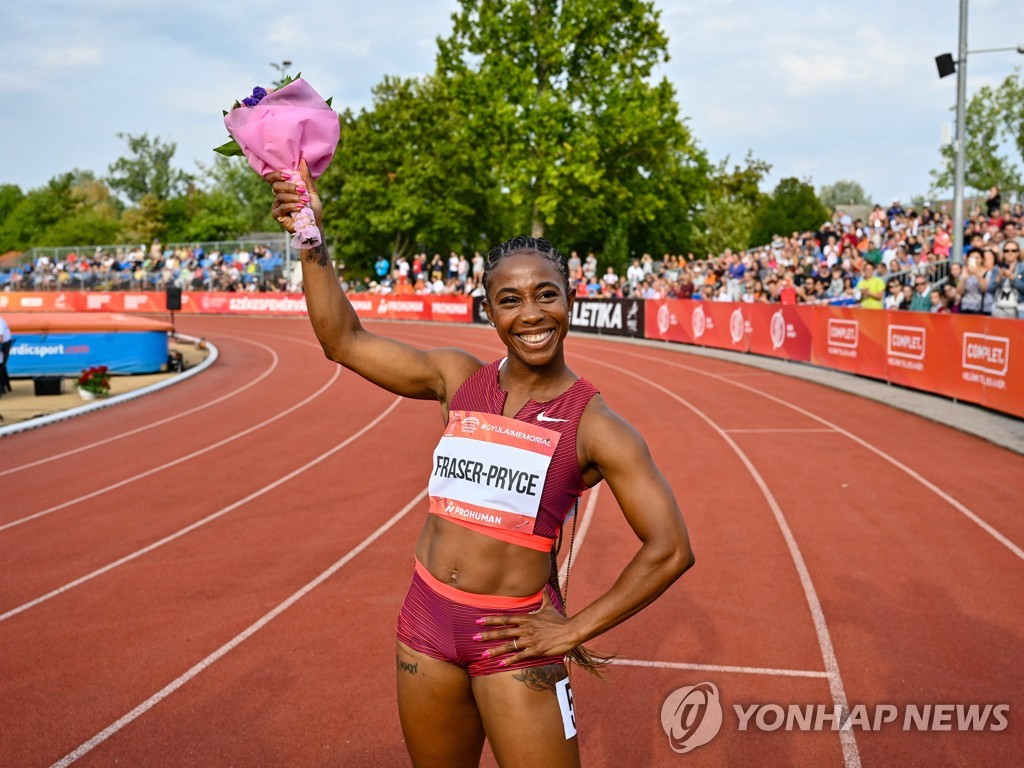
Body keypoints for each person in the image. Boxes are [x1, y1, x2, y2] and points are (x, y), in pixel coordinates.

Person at [267, 163, 694, 767]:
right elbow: (344, 341)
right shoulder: (456, 379)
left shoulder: (596, 426)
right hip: (426, 621)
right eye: (510, 300)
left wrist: (573, 632)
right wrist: (310, 236)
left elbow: (671, 548)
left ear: (570, 300)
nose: (532, 315)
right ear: (488, 312)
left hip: (514, 640)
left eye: (547, 294)